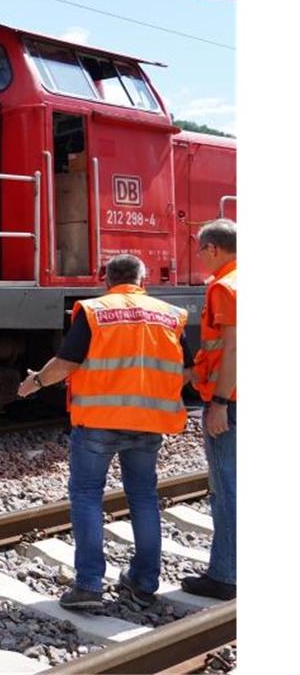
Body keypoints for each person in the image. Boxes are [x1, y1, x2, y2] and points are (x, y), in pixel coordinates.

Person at [17, 254, 190, 611]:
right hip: (148, 423)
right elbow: (185, 370)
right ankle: (143, 584)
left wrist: (35, 382)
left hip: (97, 421)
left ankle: (89, 586)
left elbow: (66, 363)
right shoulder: (169, 315)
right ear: (144, 281)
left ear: (106, 280)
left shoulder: (95, 311)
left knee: (86, 496)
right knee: (143, 497)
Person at [181, 219, 237, 600]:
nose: (200, 257)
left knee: (227, 489)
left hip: (231, 402)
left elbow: (233, 348)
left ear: (214, 249)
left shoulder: (224, 287)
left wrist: (218, 403)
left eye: (201, 250)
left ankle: (225, 574)